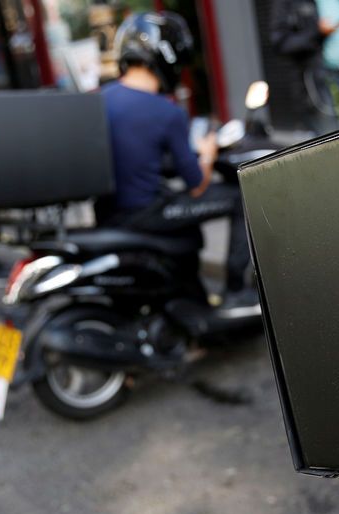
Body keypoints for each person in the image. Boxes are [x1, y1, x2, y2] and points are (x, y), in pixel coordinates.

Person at [98, 12, 256, 309]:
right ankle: (236, 291)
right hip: (145, 213)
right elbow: (196, 185)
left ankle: (192, 295)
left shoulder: (100, 98)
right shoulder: (166, 112)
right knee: (238, 197)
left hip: (111, 211)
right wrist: (207, 153)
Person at [270, 0, 339, 134]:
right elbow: (281, 43)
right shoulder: (288, 4)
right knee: (328, 136)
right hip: (315, 79)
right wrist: (317, 32)